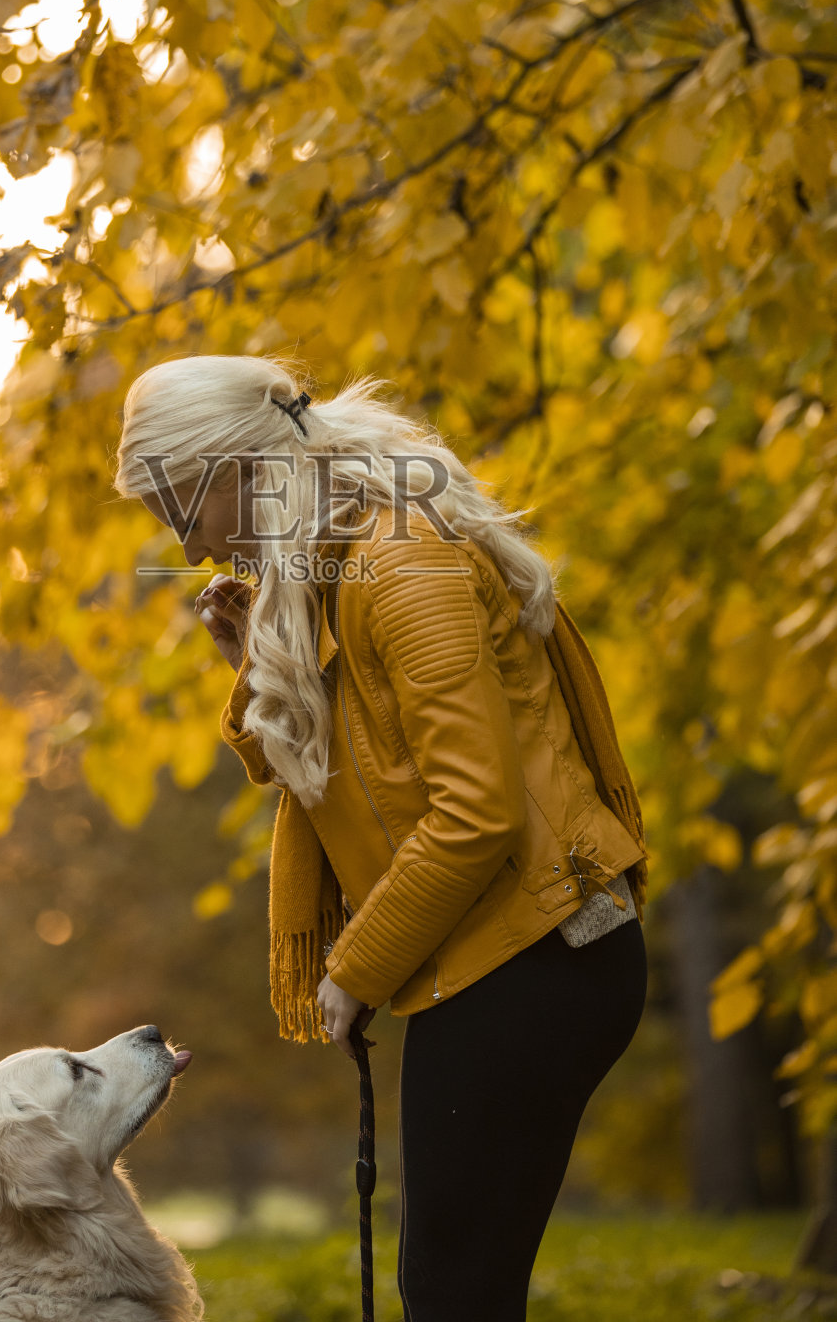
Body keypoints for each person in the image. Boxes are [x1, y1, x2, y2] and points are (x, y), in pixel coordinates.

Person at [114, 351, 649, 1322]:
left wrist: (356, 966)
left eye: (183, 516)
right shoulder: (335, 561)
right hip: (494, 952)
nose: (190, 552)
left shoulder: (398, 564)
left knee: (452, 1293)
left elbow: (476, 812)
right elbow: (332, 770)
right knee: (451, 1288)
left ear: (237, 468)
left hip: (542, 957)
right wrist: (252, 663)